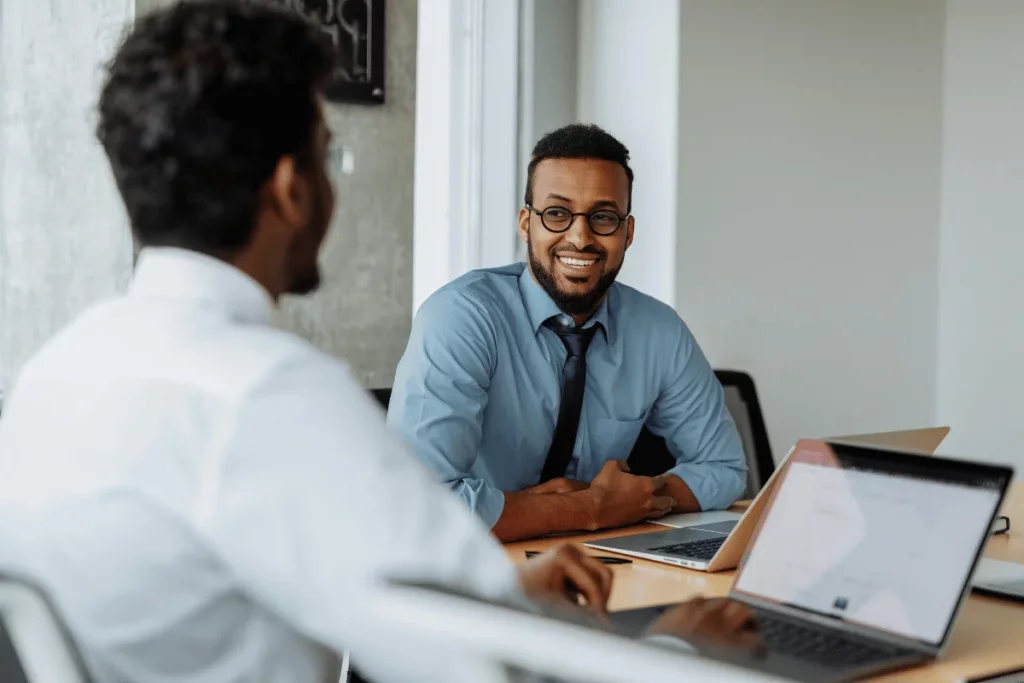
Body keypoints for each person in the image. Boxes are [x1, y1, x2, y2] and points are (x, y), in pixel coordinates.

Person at [0, 3, 758, 682]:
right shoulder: (269, 391)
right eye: (331, 155)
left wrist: (490, 589)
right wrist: (676, 651)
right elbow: (480, 669)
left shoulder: (53, 371)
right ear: (294, 188)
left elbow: (252, 574)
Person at [388, 124, 747, 542]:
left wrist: (641, 496)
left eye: (603, 217)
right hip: (475, 568)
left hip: (605, 565)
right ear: (526, 224)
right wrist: (588, 508)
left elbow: (724, 467)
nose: (580, 237)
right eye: (557, 213)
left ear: (627, 233)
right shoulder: (462, 317)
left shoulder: (659, 331)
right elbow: (418, 505)